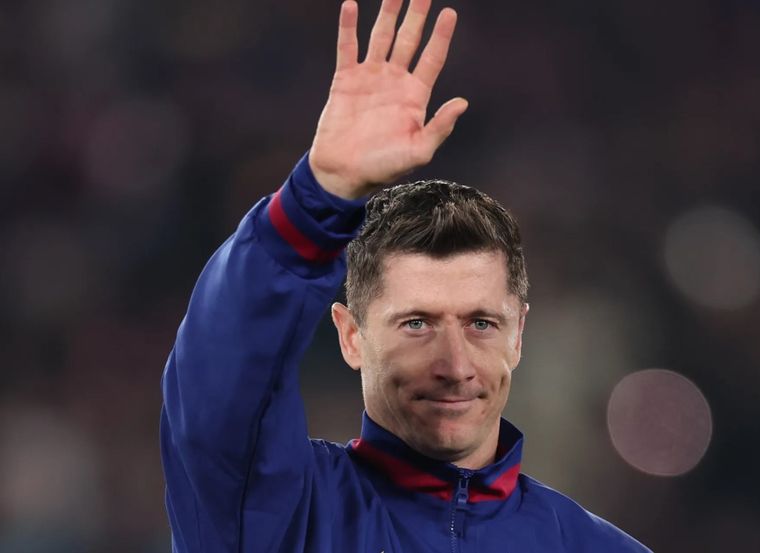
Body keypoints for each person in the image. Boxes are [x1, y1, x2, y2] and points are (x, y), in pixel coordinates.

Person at [159, 0, 651, 551]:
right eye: (417, 323)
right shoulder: (277, 515)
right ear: (351, 335)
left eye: (481, 324)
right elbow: (219, 388)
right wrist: (318, 195)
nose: (454, 367)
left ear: (518, 335)